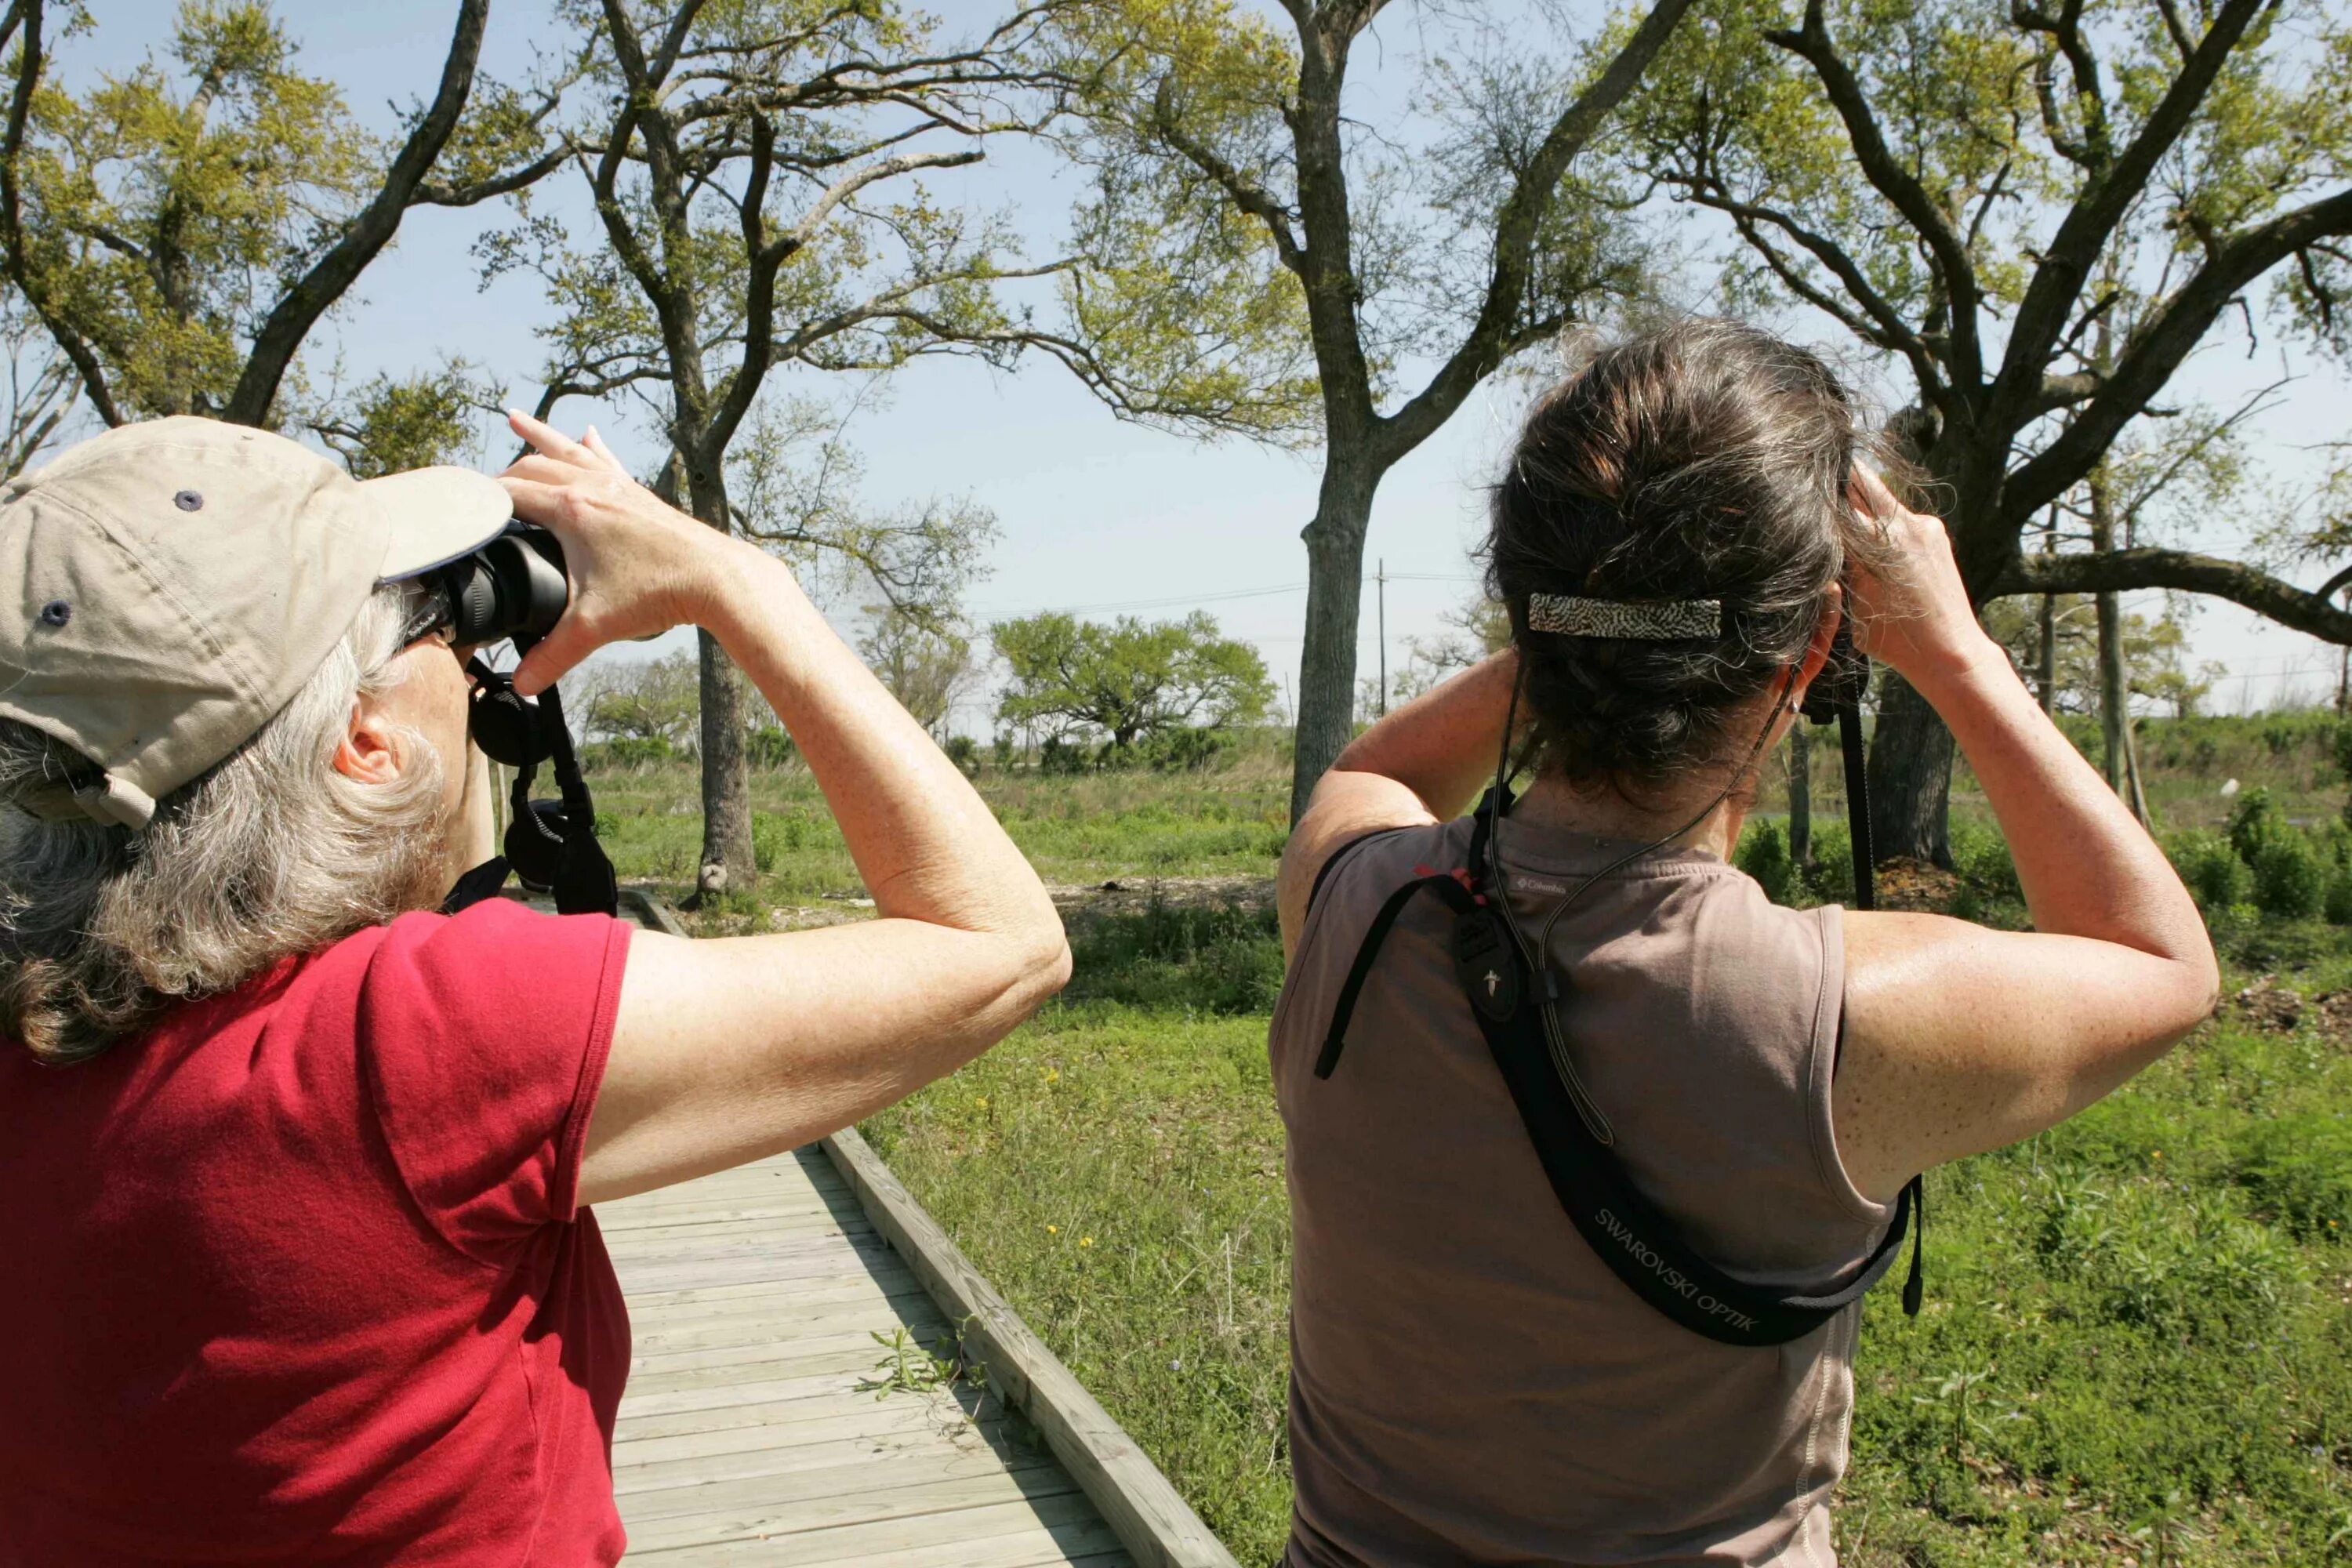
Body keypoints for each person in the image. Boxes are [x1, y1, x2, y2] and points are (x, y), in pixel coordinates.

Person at [0, 412, 1070, 1566]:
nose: (473, 655)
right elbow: (999, 943)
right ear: (363, 743)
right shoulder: (412, 1044)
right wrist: (736, 581)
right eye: (435, 624)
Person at [1270, 320, 2218, 1567]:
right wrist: (1957, 651)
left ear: (1525, 616)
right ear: (1815, 646)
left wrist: (1579, 627)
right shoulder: (1838, 1014)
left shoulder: (1351, 903)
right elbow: (2166, 966)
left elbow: (1375, 768)